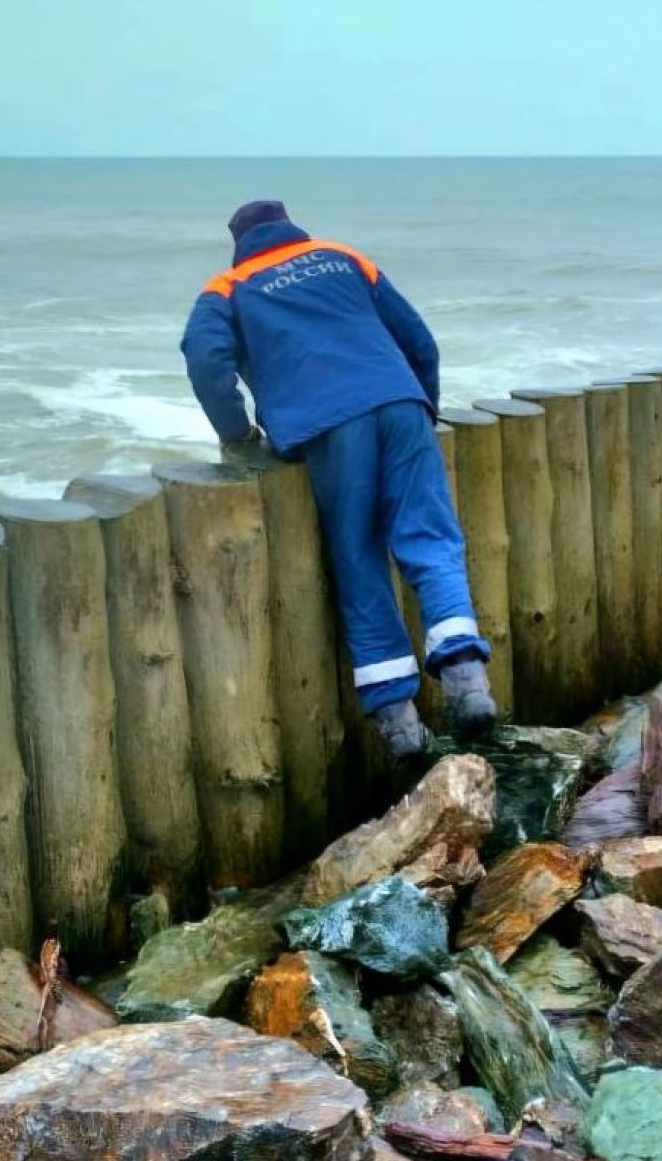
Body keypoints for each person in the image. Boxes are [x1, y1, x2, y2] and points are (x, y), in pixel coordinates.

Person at [181, 199, 497, 759]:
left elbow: (206, 360)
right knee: (430, 541)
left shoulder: (227, 287)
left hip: (327, 426)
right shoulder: (343, 257)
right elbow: (419, 339)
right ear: (290, 225)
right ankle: (468, 685)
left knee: (359, 559)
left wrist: (238, 435)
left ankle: (401, 725)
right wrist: (425, 405)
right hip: (400, 404)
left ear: (239, 240)